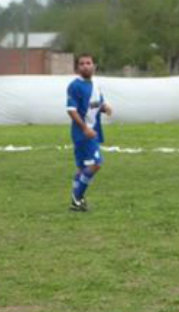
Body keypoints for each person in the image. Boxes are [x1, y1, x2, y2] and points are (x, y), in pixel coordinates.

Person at [66, 53, 112, 211]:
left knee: (82, 168)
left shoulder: (96, 84)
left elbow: (98, 103)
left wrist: (105, 108)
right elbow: (71, 111)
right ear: (77, 68)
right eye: (82, 63)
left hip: (93, 130)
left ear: (94, 66)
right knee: (96, 164)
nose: (85, 66)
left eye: (88, 63)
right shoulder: (75, 86)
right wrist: (85, 128)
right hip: (83, 133)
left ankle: (76, 199)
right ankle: (77, 197)